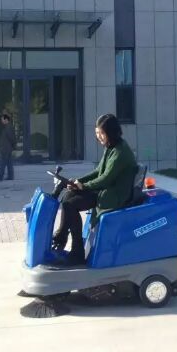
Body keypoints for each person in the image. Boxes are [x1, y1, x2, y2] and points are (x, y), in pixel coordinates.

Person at [52, 114, 137, 266]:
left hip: (113, 195)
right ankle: (61, 238)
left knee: (70, 205)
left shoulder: (120, 152)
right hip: (106, 190)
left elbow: (106, 178)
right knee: (68, 196)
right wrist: (78, 182)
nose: (99, 136)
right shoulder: (111, 147)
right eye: (97, 133)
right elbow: (98, 171)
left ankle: (76, 253)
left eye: (102, 133)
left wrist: (84, 186)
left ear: (111, 132)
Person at [0, 113, 16, 182]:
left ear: (6, 120)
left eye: (2, 119)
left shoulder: (8, 127)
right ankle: (10, 176)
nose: (1, 121)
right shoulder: (7, 127)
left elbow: (11, 138)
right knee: (9, 162)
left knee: (3, 163)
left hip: (5, 148)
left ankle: (0, 176)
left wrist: (13, 145)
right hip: (7, 148)